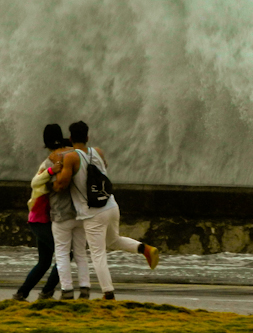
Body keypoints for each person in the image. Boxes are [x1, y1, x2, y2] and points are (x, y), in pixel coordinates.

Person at [53, 120, 159, 300]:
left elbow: (62, 184)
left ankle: (108, 293)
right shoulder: (98, 152)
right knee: (112, 240)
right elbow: (104, 168)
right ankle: (144, 249)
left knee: (97, 254)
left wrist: (54, 177)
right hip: (110, 205)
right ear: (87, 137)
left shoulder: (71, 157)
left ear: (70, 138)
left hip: (93, 212)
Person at [12, 124, 65, 301]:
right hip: (39, 218)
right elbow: (35, 183)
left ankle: (21, 294)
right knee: (67, 253)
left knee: (44, 262)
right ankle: (47, 292)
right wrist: (51, 171)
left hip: (43, 218)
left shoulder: (56, 157)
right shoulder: (49, 163)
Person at [46, 138, 91, 300]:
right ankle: (85, 288)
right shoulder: (82, 158)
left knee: (62, 253)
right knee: (80, 252)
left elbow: (55, 185)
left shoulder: (53, 160)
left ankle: (67, 290)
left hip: (61, 214)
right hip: (81, 213)